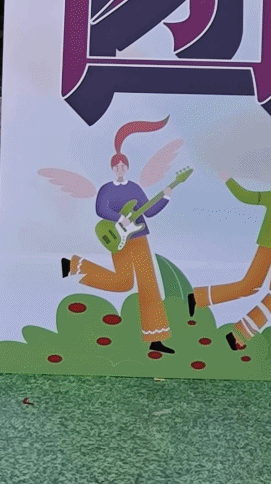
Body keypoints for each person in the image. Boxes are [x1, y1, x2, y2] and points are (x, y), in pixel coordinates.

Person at [52, 119, 192, 354]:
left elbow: (149, 211)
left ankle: (156, 338)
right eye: (116, 165)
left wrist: (167, 195)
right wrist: (119, 219)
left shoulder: (134, 188)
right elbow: (100, 209)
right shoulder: (107, 189)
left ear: (127, 167)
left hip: (140, 237)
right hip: (118, 239)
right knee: (123, 282)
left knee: (149, 285)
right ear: (112, 168)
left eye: (122, 165)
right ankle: (75, 265)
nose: (119, 168)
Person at [189, 166, 271, 349]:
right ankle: (197, 297)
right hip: (266, 246)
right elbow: (247, 197)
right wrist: (228, 180)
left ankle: (237, 336)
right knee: (249, 286)